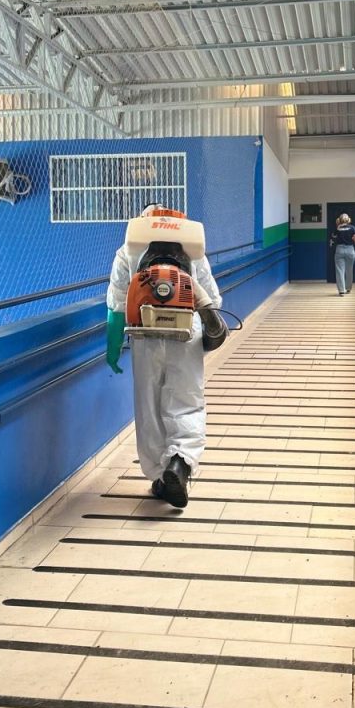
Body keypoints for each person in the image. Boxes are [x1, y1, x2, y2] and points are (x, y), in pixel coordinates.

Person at [105, 204, 222, 508]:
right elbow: (213, 299)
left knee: (150, 404)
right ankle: (180, 463)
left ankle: (159, 476)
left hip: (144, 331)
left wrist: (113, 348)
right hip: (187, 329)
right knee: (186, 400)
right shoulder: (192, 249)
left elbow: (117, 305)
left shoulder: (128, 251)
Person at [330, 213, 355, 295]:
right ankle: (348, 288)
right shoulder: (352, 228)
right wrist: (351, 237)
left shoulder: (338, 228)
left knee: (340, 270)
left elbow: (333, 237)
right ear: (348, 220)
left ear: (339, 220)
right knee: (349, 270)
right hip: (350, 250)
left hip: (339, 250)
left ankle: (341, 290)